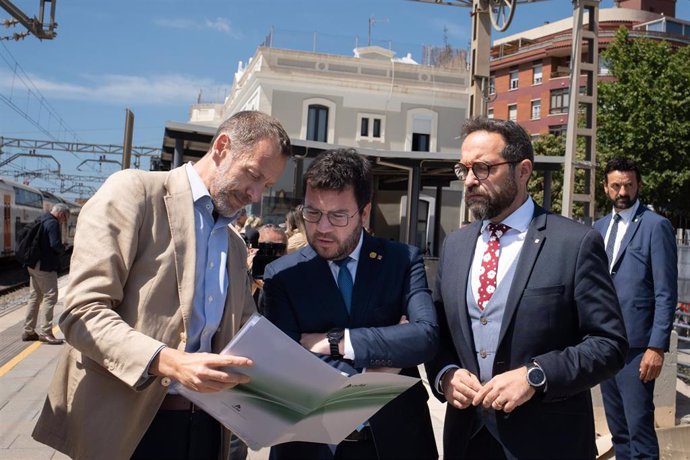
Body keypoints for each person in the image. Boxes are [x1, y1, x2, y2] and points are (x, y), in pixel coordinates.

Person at [32, 110, 292, 460]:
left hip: (208, 429)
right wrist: (168, 361)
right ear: (221, 147)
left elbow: (242, 329)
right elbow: (82, 313)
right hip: (128, 426)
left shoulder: (231, 242)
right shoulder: (135, 193)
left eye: (268, 186)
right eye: (253, 175)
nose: (256, 194)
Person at [425, 117, 628, 459]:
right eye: (464, 170)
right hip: (467, 441)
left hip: (546, 442)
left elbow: (609, 345)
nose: (471, 181)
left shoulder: (574, 244)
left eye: (483, 168)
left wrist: (537, 375)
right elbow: (438, 335)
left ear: (523, 170)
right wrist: (445, 375)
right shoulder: (456, 245)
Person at [260, 148, 439, 460]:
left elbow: (425, 337)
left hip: (397, 442)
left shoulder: (401, 260)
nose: (323, 227)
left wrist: (338, 342)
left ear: (365, 213)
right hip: (311, 445)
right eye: (312, 213)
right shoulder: (283, 276)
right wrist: (384, 365)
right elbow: (286, 369)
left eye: (338, 215)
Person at [594, 157, 678, 459]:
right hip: (606, 344)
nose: (623, 191)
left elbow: (666, 292)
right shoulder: (598, 228)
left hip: (639, 349)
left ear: (638, 185)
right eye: (616, 185)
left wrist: (657, 346)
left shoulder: (657, 227)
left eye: (629, 185)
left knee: (639, 428)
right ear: (605, 187)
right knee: (619, 430)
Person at [21, 203, 70, 345]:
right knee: (50, 296)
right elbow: (55, 244)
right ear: (61, 214)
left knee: (35, 297)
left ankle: (28, 330)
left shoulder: (42, 219)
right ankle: (46, 332)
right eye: (64, 219)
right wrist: (62, 249)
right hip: (44, 266)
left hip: (33, 264)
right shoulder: (53, 223)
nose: (63, 221)